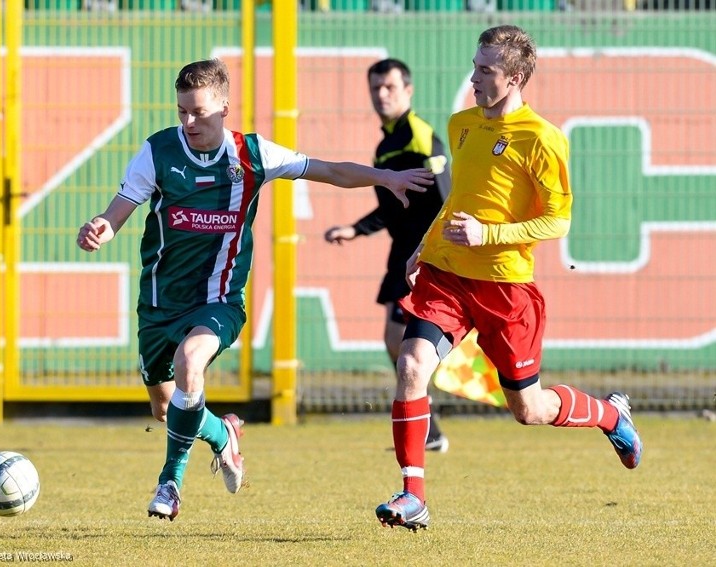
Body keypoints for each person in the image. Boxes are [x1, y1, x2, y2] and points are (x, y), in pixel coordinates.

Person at [76, 58, 434, 523]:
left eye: (199, 112)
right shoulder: (158, 151)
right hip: (158, 304)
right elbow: (121, 206)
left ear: (224, 106)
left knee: (190, 363)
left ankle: (170, 483)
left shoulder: (252, 155)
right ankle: (224, 436)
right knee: (167, 408)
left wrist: (385, 177)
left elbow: (325, 170)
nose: (188, 122)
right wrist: (103, 225)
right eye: (182, 111)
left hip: (218, 300)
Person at [374, 25, 643, 532]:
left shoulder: (543, 138)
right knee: (411, 364)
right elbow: (460, 200)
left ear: (515, 77)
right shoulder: (461, 124)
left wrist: (489, 234)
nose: (473, 77)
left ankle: (611, 416)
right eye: (474, 65)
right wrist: (422, 246)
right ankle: (413, 495)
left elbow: (558, 220)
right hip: (447, 276)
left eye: (485, 70)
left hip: (506, 290)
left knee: (529, 408)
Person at [323, 58, 452, 452]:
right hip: (403, 254)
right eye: (376, 88)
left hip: (424, 256)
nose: (382, 95)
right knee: (394, 341)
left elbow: (446, 197)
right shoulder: (385, 146)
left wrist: (433, 250)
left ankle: (426, 427)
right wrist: (355, 229)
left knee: (403, 342)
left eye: (390, 88)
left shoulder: (420, 137)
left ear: (408, 91)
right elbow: (393, 206)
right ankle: (427, 428)